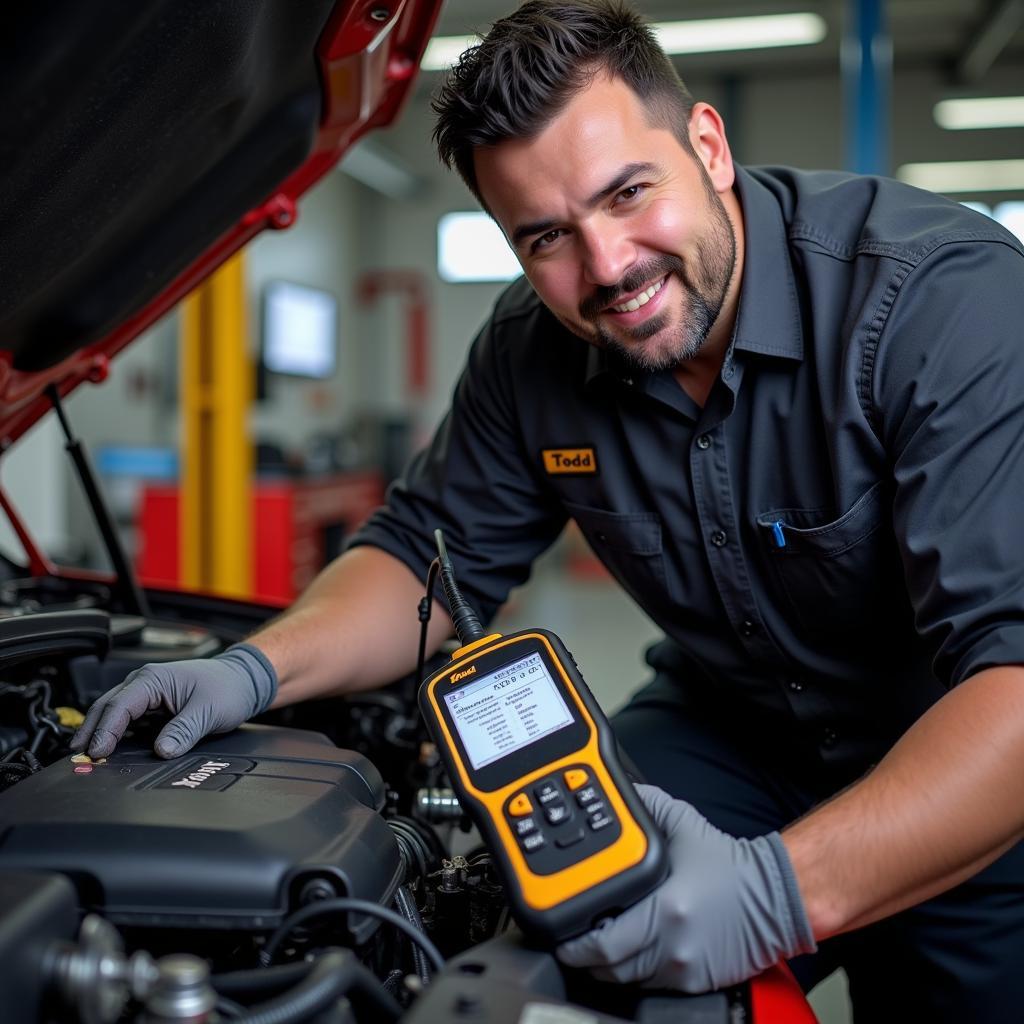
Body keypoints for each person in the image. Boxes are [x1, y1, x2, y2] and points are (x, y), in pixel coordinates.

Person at [73, 1, 1024, 1018]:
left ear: (706, 144)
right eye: (548, 237)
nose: (608, 266)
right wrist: (255, 668)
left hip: (958, 750)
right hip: (729, 724)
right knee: (556, 946)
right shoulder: (529, 351)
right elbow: (421, 556)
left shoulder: (938, 302)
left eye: (627, 194)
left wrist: (773, 894)